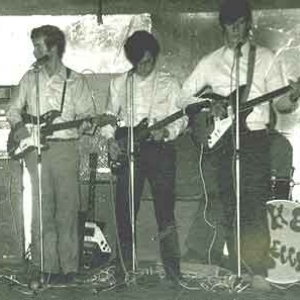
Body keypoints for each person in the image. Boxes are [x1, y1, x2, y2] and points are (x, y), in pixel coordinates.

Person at [179, 0, 299, 290]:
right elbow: (182, 95)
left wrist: (294, 95)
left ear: (248, 24)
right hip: (223, 141)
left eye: (241, 23)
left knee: (254, 205)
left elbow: (281, 105)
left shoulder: (267, 58)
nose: (236, 30)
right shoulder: (211, 61)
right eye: (230, 25)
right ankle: (236, 271)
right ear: (222, 27)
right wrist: (209, 104)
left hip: (255, 139)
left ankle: (257, 272)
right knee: (228, 206)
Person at [6, 25, 95, 284]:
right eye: (34, 46)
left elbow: (87, 115)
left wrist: (88, 123)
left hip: (66, 149)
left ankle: (69, 269)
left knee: (67, 210)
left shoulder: (75, 80)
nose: (35, 51)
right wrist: (21, 127)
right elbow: (13, 109)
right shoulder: (30, 78)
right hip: (36, 151)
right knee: (42, 209)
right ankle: (45, 267)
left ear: (53, 47)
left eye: (39, 46)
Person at [101, 30, 187, 287]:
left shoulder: (170, 82)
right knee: (125, 211)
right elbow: (108, 118)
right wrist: (110, 141)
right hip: (128, 147)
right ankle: (123, 271)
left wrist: (168, 131)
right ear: (132, 60)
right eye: (139, 62)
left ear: (155, 56)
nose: (144, 67)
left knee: (165, 212)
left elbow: (182, 117)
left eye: (149, 61)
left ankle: (173, 274)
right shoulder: (119, 84)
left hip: (160, 150)